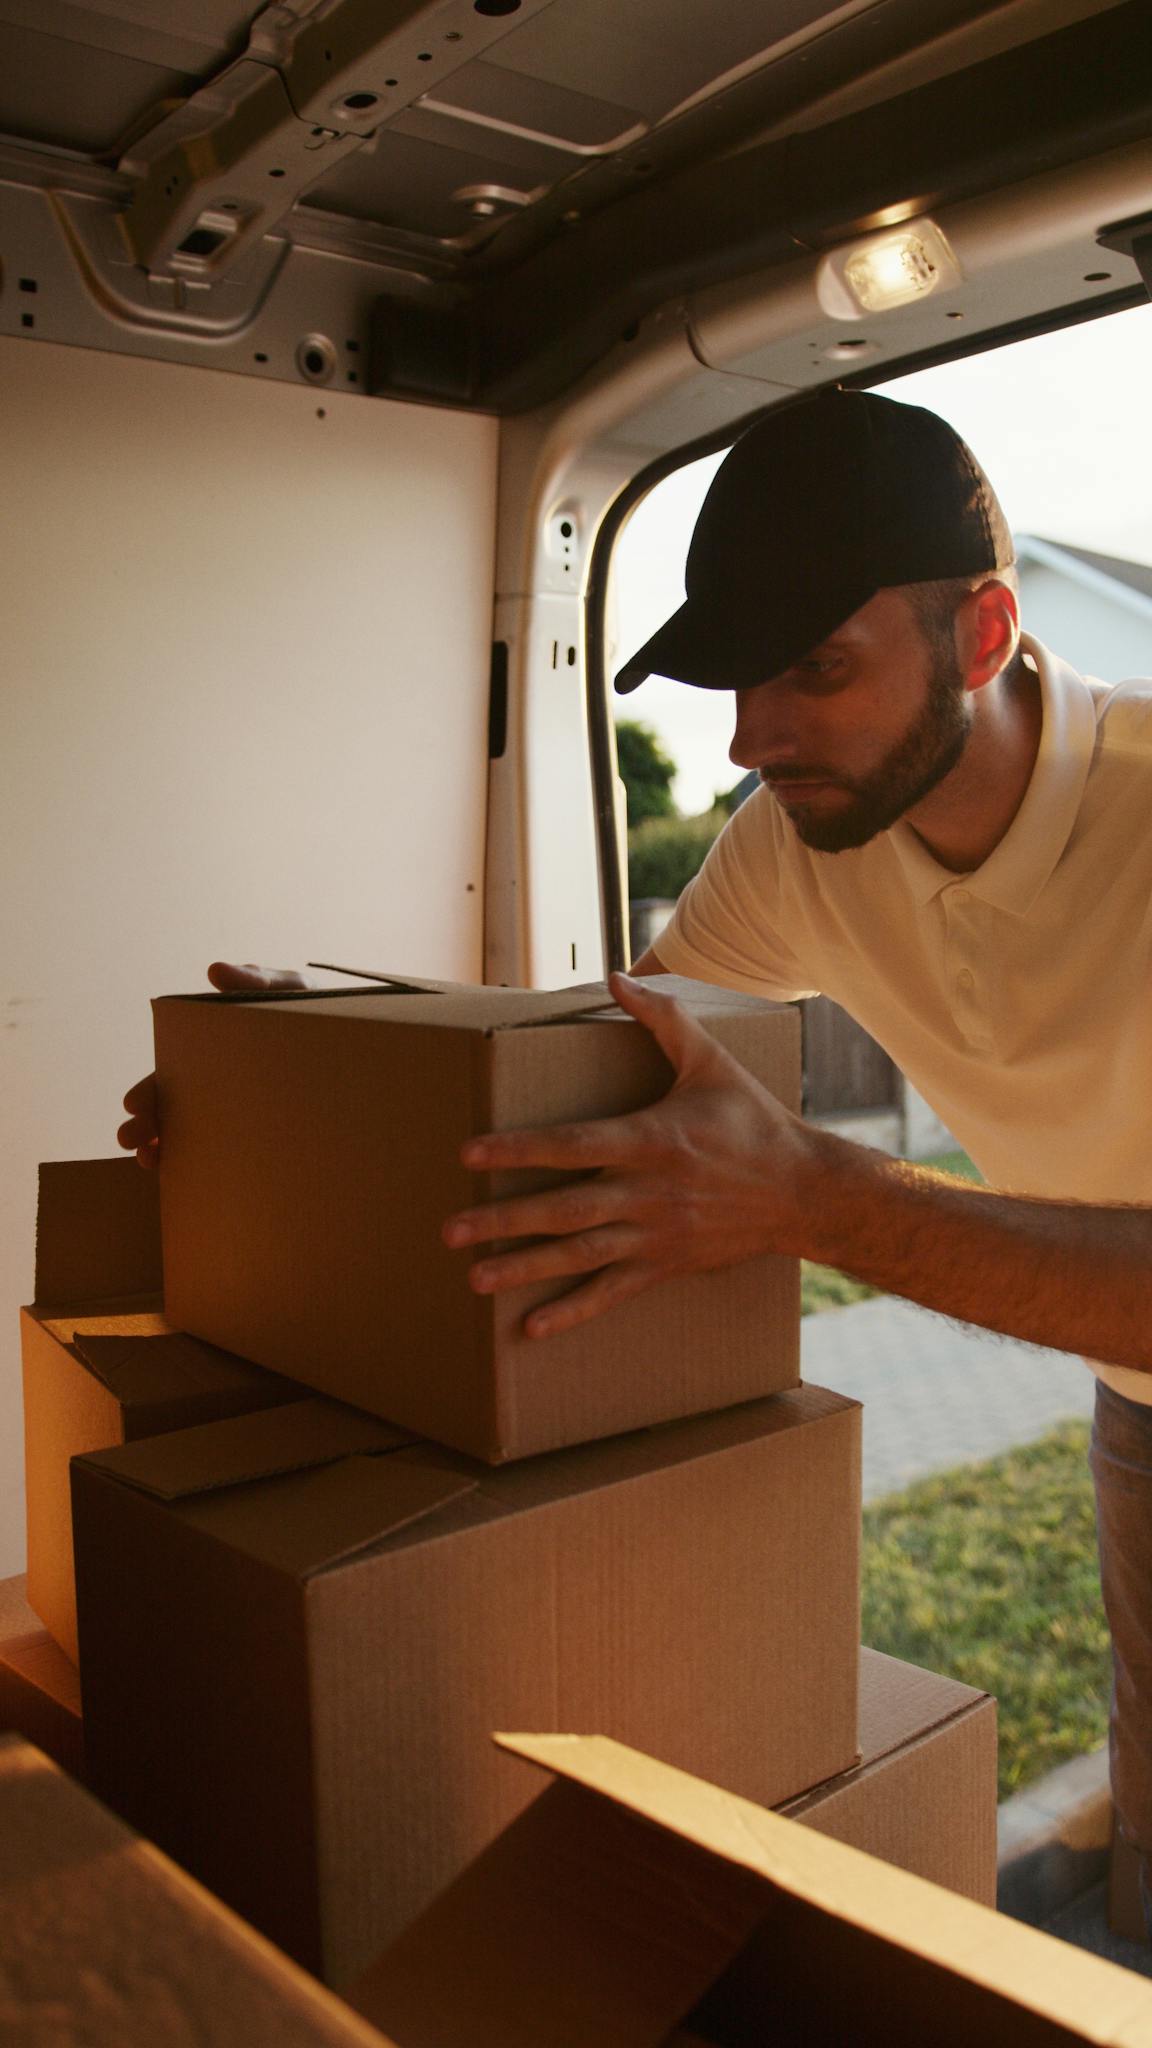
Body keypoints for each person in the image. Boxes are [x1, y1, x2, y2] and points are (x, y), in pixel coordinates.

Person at [117, 386, 1152, 1900]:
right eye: (738, 675)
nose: (752, 735)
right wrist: (312, 1080)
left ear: (984, 638)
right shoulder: (800, 841)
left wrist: (814, 1200)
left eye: (815, 667)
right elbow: (586, 1050)